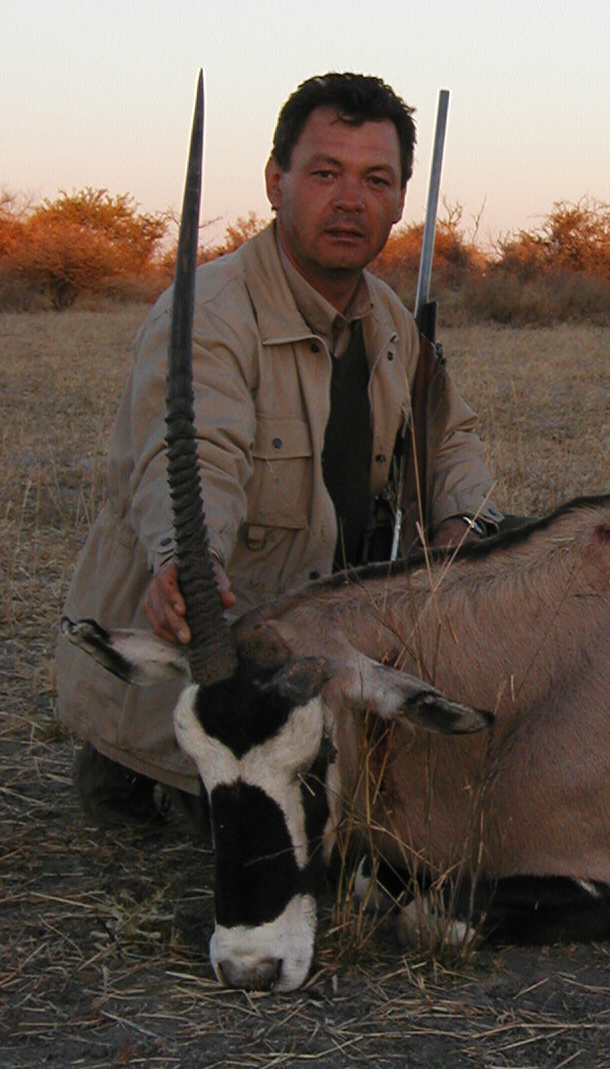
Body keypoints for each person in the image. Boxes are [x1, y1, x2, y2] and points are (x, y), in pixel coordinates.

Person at [56, 72, 500, 824]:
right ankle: (138, 776)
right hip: (198, 719)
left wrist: (462, 527)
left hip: (316, 668)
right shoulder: (209, 315)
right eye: (325, 173)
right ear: (275, 181)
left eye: (375, 180)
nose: (350, 200)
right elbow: (193, 455)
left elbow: (448, 433)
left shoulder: (390, 319)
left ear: (399, 200)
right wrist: (181, 562)